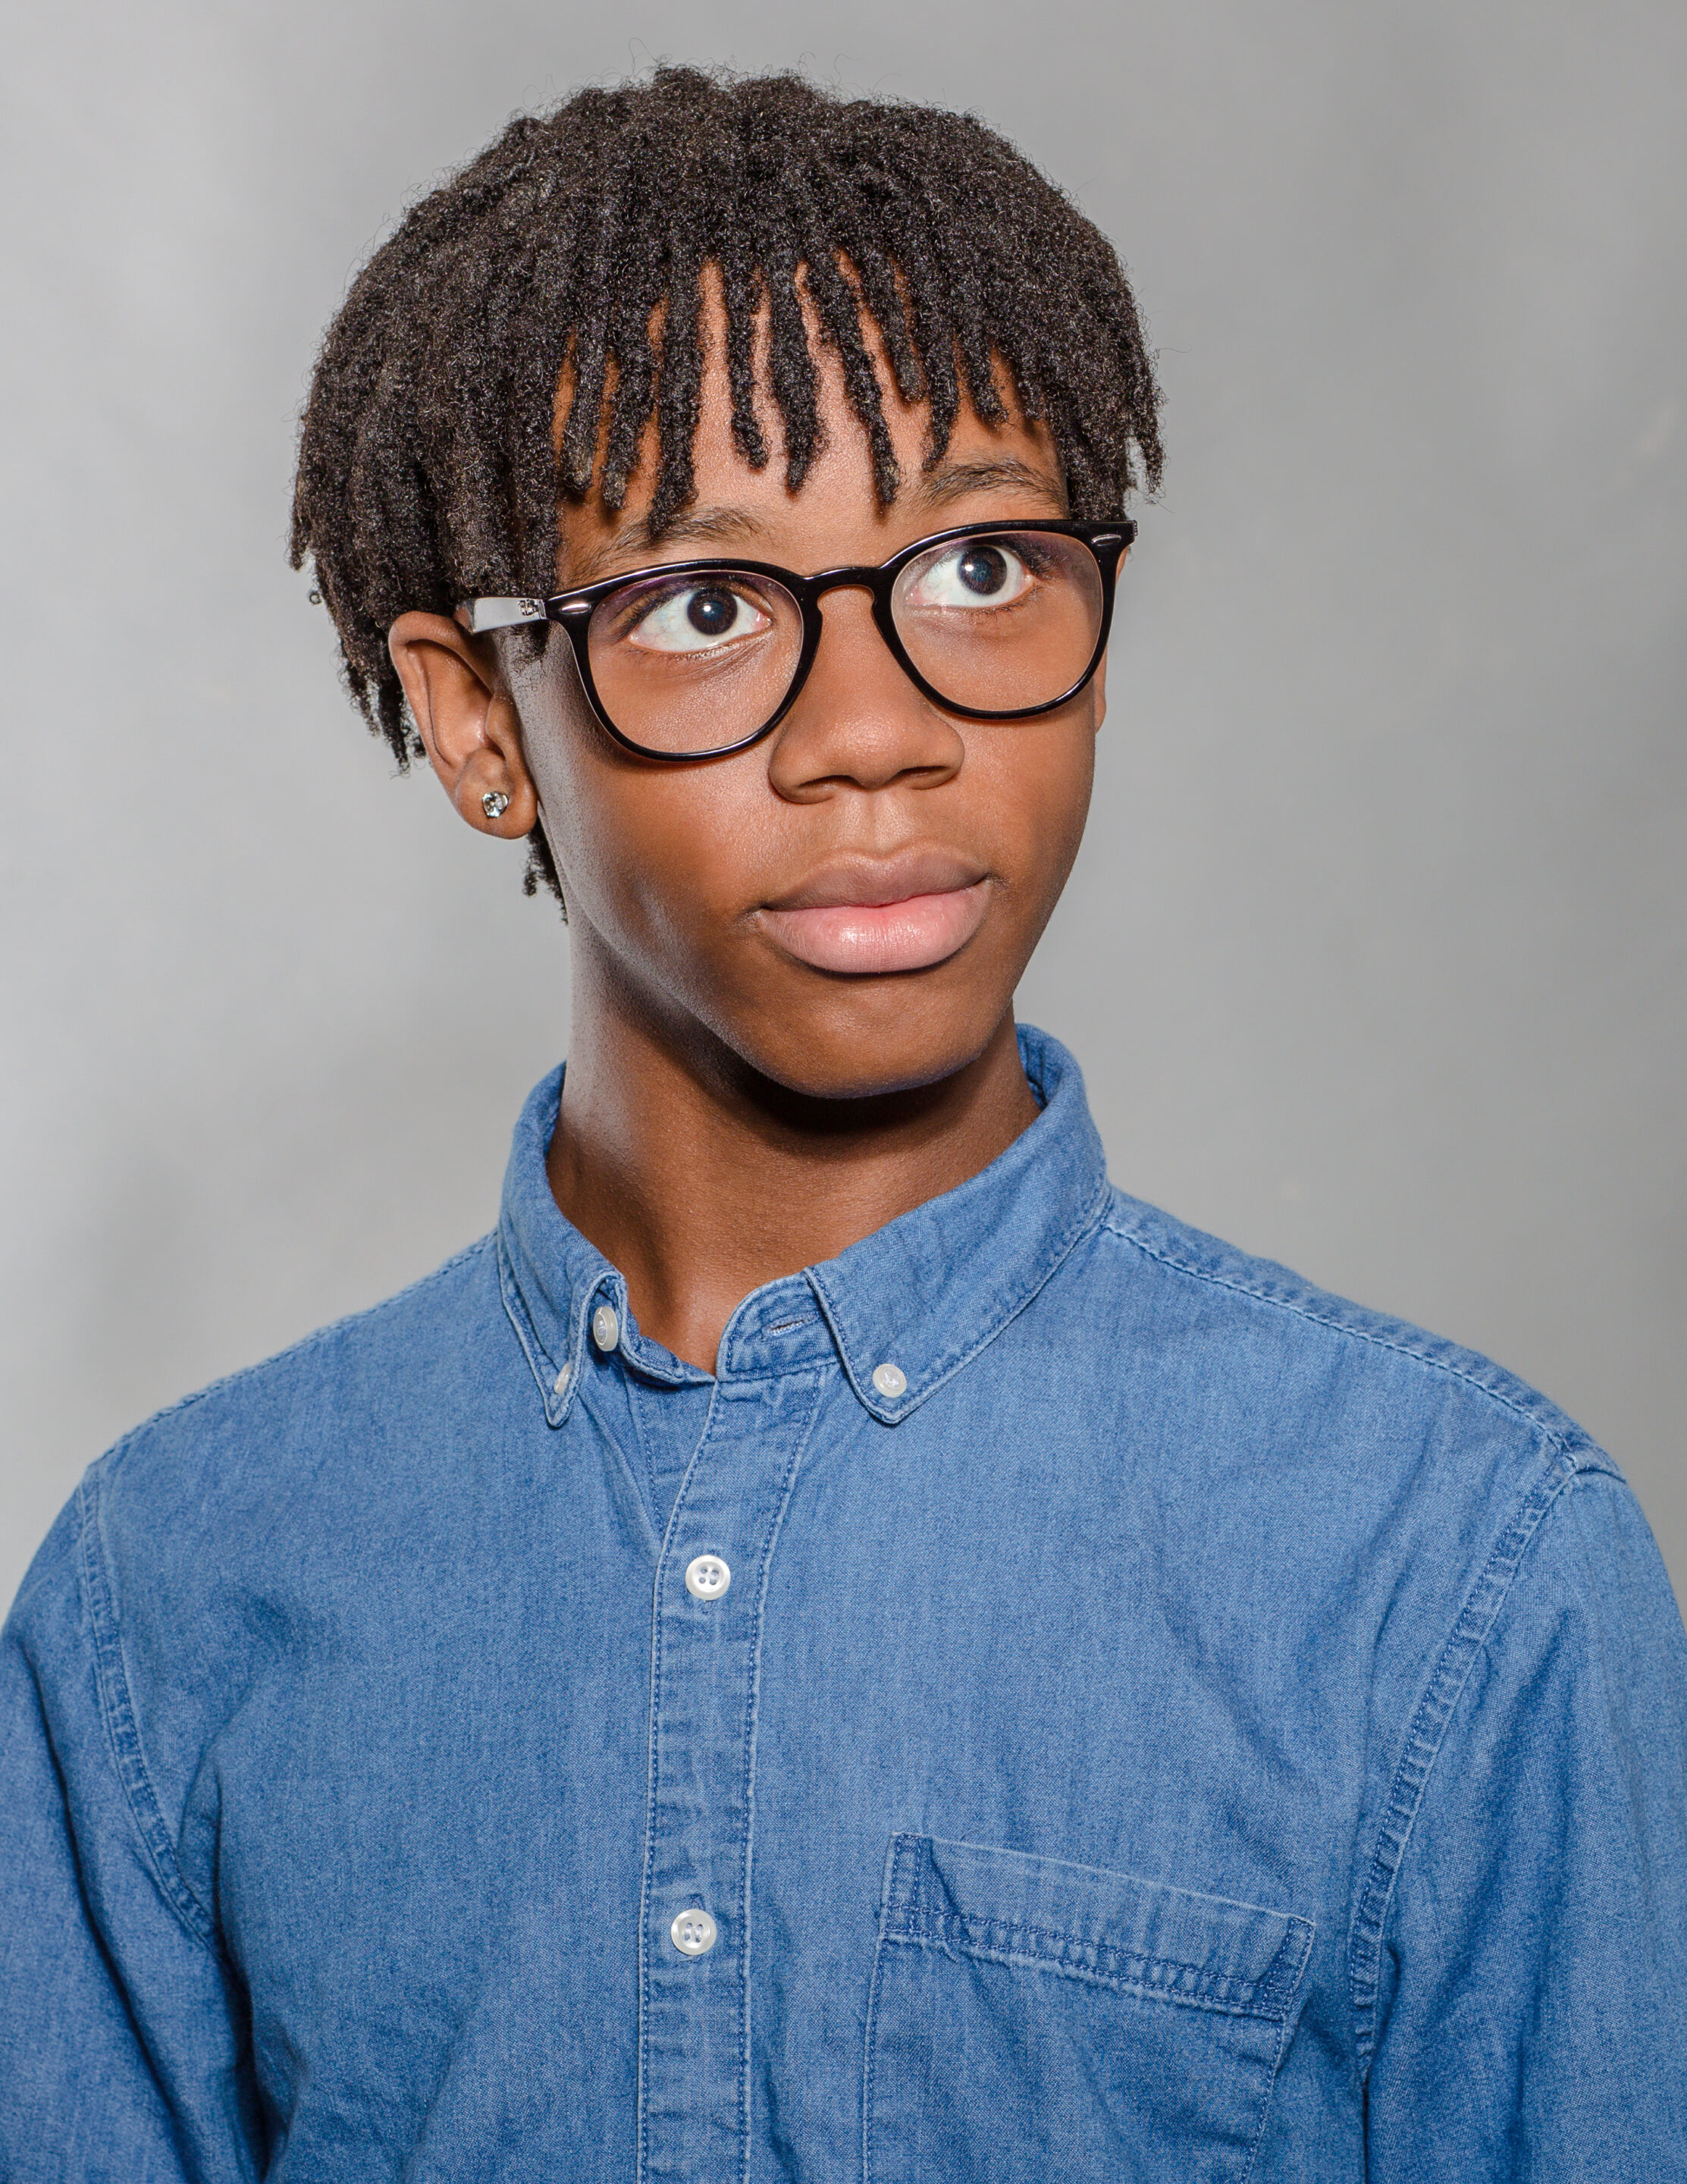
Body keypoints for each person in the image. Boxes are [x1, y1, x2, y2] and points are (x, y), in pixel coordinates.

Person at [2, 64, 1683, 2181]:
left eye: (980, 565)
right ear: (478, 722)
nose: (877, 733)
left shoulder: (1459, 1564)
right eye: (705, 605)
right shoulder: (173, 1594)